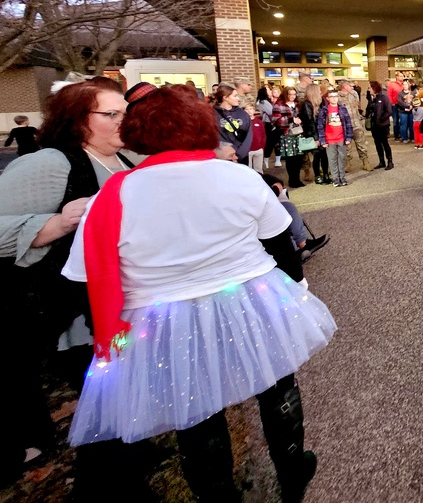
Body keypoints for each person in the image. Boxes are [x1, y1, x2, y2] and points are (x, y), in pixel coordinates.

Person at [62, 85, 336, 503]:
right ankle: (292, 469)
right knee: (277, 382)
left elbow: (85, 277)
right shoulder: (237, 176)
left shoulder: (114, 195)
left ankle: (218, 494)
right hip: (250, 295)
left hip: (163, 317)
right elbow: (281, 243)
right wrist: (296, 289)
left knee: (195, 409)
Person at [0, 78, 140, 489]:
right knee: (106, 404)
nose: (122, 121)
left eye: (125, 112)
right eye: (110, 114)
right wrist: (57, 223)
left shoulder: (127, 161)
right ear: (78, 120)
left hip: (109, 307)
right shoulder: (50, 163)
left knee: (116, 401)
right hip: (60, 309)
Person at [317, 89, 353, 187]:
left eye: (336, 96)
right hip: (329, 139)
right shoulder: (324, 110)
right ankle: (336, 179)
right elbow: (320, 126)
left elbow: (348, 123)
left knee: (342, 159)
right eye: (332, 96)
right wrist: (322, 140)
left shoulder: (342, 108)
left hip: (341, 138)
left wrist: (349, 137)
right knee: (332, 160)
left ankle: (342, 178)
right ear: (328, 98)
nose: (334, 98)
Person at [272, 86, 305, 188]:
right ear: (285, 94)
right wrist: (291, 120)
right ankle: (292, 180)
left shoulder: (297, 105)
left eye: (294, 94)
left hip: (299, 134)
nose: (292, 96)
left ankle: (297, 179)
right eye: (290, 94)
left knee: (299, 158)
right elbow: (275, 121)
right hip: (287, 135)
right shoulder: (279, 105)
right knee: (291, 159)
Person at [212, 84, 252, 164]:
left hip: (241, 157)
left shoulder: (243, 114)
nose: (238, 98)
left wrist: (240, 154)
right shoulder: (212, 114)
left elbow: (248, 135)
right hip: (223, 158)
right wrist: (227, 153)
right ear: (225, 98)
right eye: (235, 96)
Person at [300, 83, 325, 184]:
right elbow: (309, 122)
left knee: (323, 154)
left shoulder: (321, 102)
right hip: (313, 133)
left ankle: (324, 173)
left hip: (321, 132)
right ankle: (317, 175)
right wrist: (316, 138)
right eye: (318, 90)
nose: (320, 91)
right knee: (317, 155)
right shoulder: (306, 104)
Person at [368, 81, 393, 170]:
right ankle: (381, 161)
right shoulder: (372, 99)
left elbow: (389, 111)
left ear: (374, 88)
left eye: (370, 88)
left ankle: (390, 161)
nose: (368, 89)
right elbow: (368, 111)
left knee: (385, 143)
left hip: (383, 125)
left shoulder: (384, 98)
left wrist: (381, 119)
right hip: (374, 126)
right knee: (377, 144)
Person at [247, 103, 266, 173]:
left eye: (250, 109)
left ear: (254, 110)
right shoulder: (244, 122)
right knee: (248, 170)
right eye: (246, 109)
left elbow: (263, 135)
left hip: (258, 148)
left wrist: (262, 146)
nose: (249, 111)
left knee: (259, 169)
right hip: (248, 150)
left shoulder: (259, 122)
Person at [387, 73, 405, 140]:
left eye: (402, 76)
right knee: (396, 120)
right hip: (395, 104)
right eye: (400, 76)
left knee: (402, 120)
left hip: (403, 104)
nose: (402, 77)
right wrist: (392, 103)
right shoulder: (392, 85)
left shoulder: (404, 84)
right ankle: (396, 135)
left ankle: (402, 134)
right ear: (396, 77)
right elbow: (389, 95)